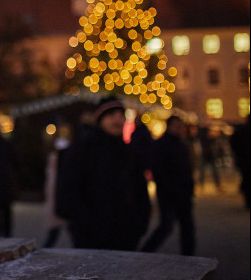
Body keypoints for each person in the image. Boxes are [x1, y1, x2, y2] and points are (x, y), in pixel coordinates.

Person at [56, 96, 151, 251]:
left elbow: (140, 190)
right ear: (100, 119)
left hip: (126, 238)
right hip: (90, 240)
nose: (117, 120)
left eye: (121, 116)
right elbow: (68, 191)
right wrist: (84, 224)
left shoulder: (129, 152)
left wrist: (139, 224)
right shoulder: (82, 150)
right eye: (111, 115)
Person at [141, 116, 196, 255]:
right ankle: (145, 252)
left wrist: (189, 188)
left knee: (187, 226)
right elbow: (158, 170)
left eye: (180, 126)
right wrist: (168, 188)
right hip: (168, 194)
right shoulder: (161, 144)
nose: (179, 129)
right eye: (176, 126)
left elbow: (187, 169)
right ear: (169, 126)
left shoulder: (182, 144)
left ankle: (188, 255)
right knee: (166, 226)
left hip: (183, 193)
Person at [42, 136, 69, 247]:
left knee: (55, 231)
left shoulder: (55, 161)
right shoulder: (59, 162)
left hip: (59, 202)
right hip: (60, 203)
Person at [230, 116, 250, 209]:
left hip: (243, 160)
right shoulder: (241, 131)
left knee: (246, 179)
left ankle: (247, 199)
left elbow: (233, 143)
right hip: (244, 160)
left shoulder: (240, 131)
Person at [197, 126, 222, 193]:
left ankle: (217, 186)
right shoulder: (204, 138)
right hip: (205, 155)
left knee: (214, 172)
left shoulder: (210, 138)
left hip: (210, 155)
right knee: (202, 172)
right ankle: (201, 186)